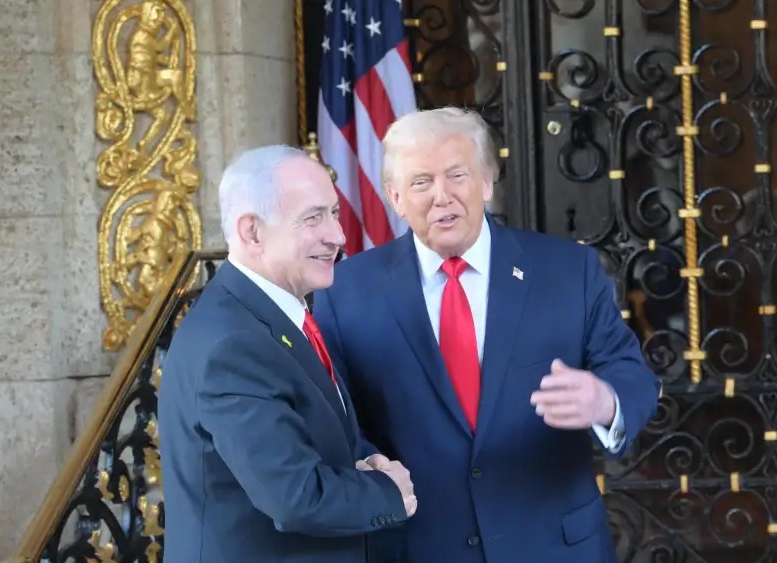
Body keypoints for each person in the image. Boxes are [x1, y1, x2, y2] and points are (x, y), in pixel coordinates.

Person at [312, 108, 662, 562]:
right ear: (395, 198)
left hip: (553, 546)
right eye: (421, 182)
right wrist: (368, 466)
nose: (442, 196)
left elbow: (629, 371)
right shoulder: (345, 290)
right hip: (420, 546)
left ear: (487, 183)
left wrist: (606, 402)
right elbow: (335, 414)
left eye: (457, 175)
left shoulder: (567, 271)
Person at [158, 145, 417, 563]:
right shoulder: (233, 344)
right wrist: (390, 493)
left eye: (334, 213)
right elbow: (294, 496)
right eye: (313, 218)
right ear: (252, 232)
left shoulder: (266, 314)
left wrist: (367, 459)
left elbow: (317, 433)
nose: (337, 235)